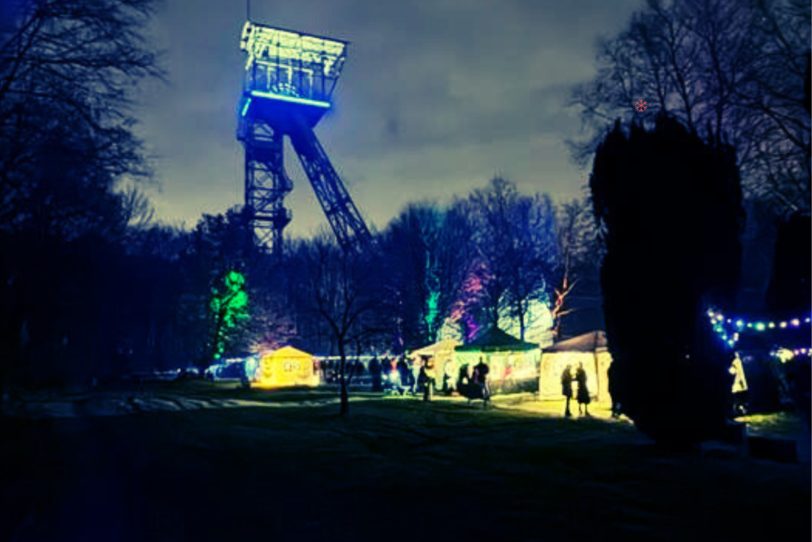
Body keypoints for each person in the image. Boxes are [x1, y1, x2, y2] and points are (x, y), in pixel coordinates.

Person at [729, 352, 749, 416]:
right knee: (738, 398)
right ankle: (738, 410)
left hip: (741, 384)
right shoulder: (735, 361)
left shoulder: (740, 361)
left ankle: (741, 410)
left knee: (741, 398)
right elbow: (732, 371)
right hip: (738, 384)